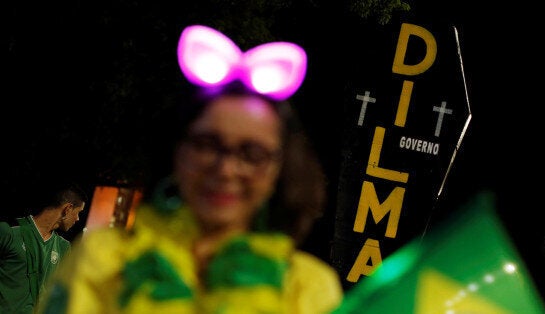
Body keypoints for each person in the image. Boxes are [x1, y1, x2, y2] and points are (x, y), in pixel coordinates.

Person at [36, 24, 343, 313]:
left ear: (281, 168)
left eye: (252, 153)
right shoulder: (103, 259)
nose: (225, 170)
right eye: (206, 144)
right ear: (176, 149)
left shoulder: (310, 289)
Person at [0, 180, 88, 314]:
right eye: (78, 212)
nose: (77, 219)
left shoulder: (64, 247)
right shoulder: (10, 232)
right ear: (67, 209)